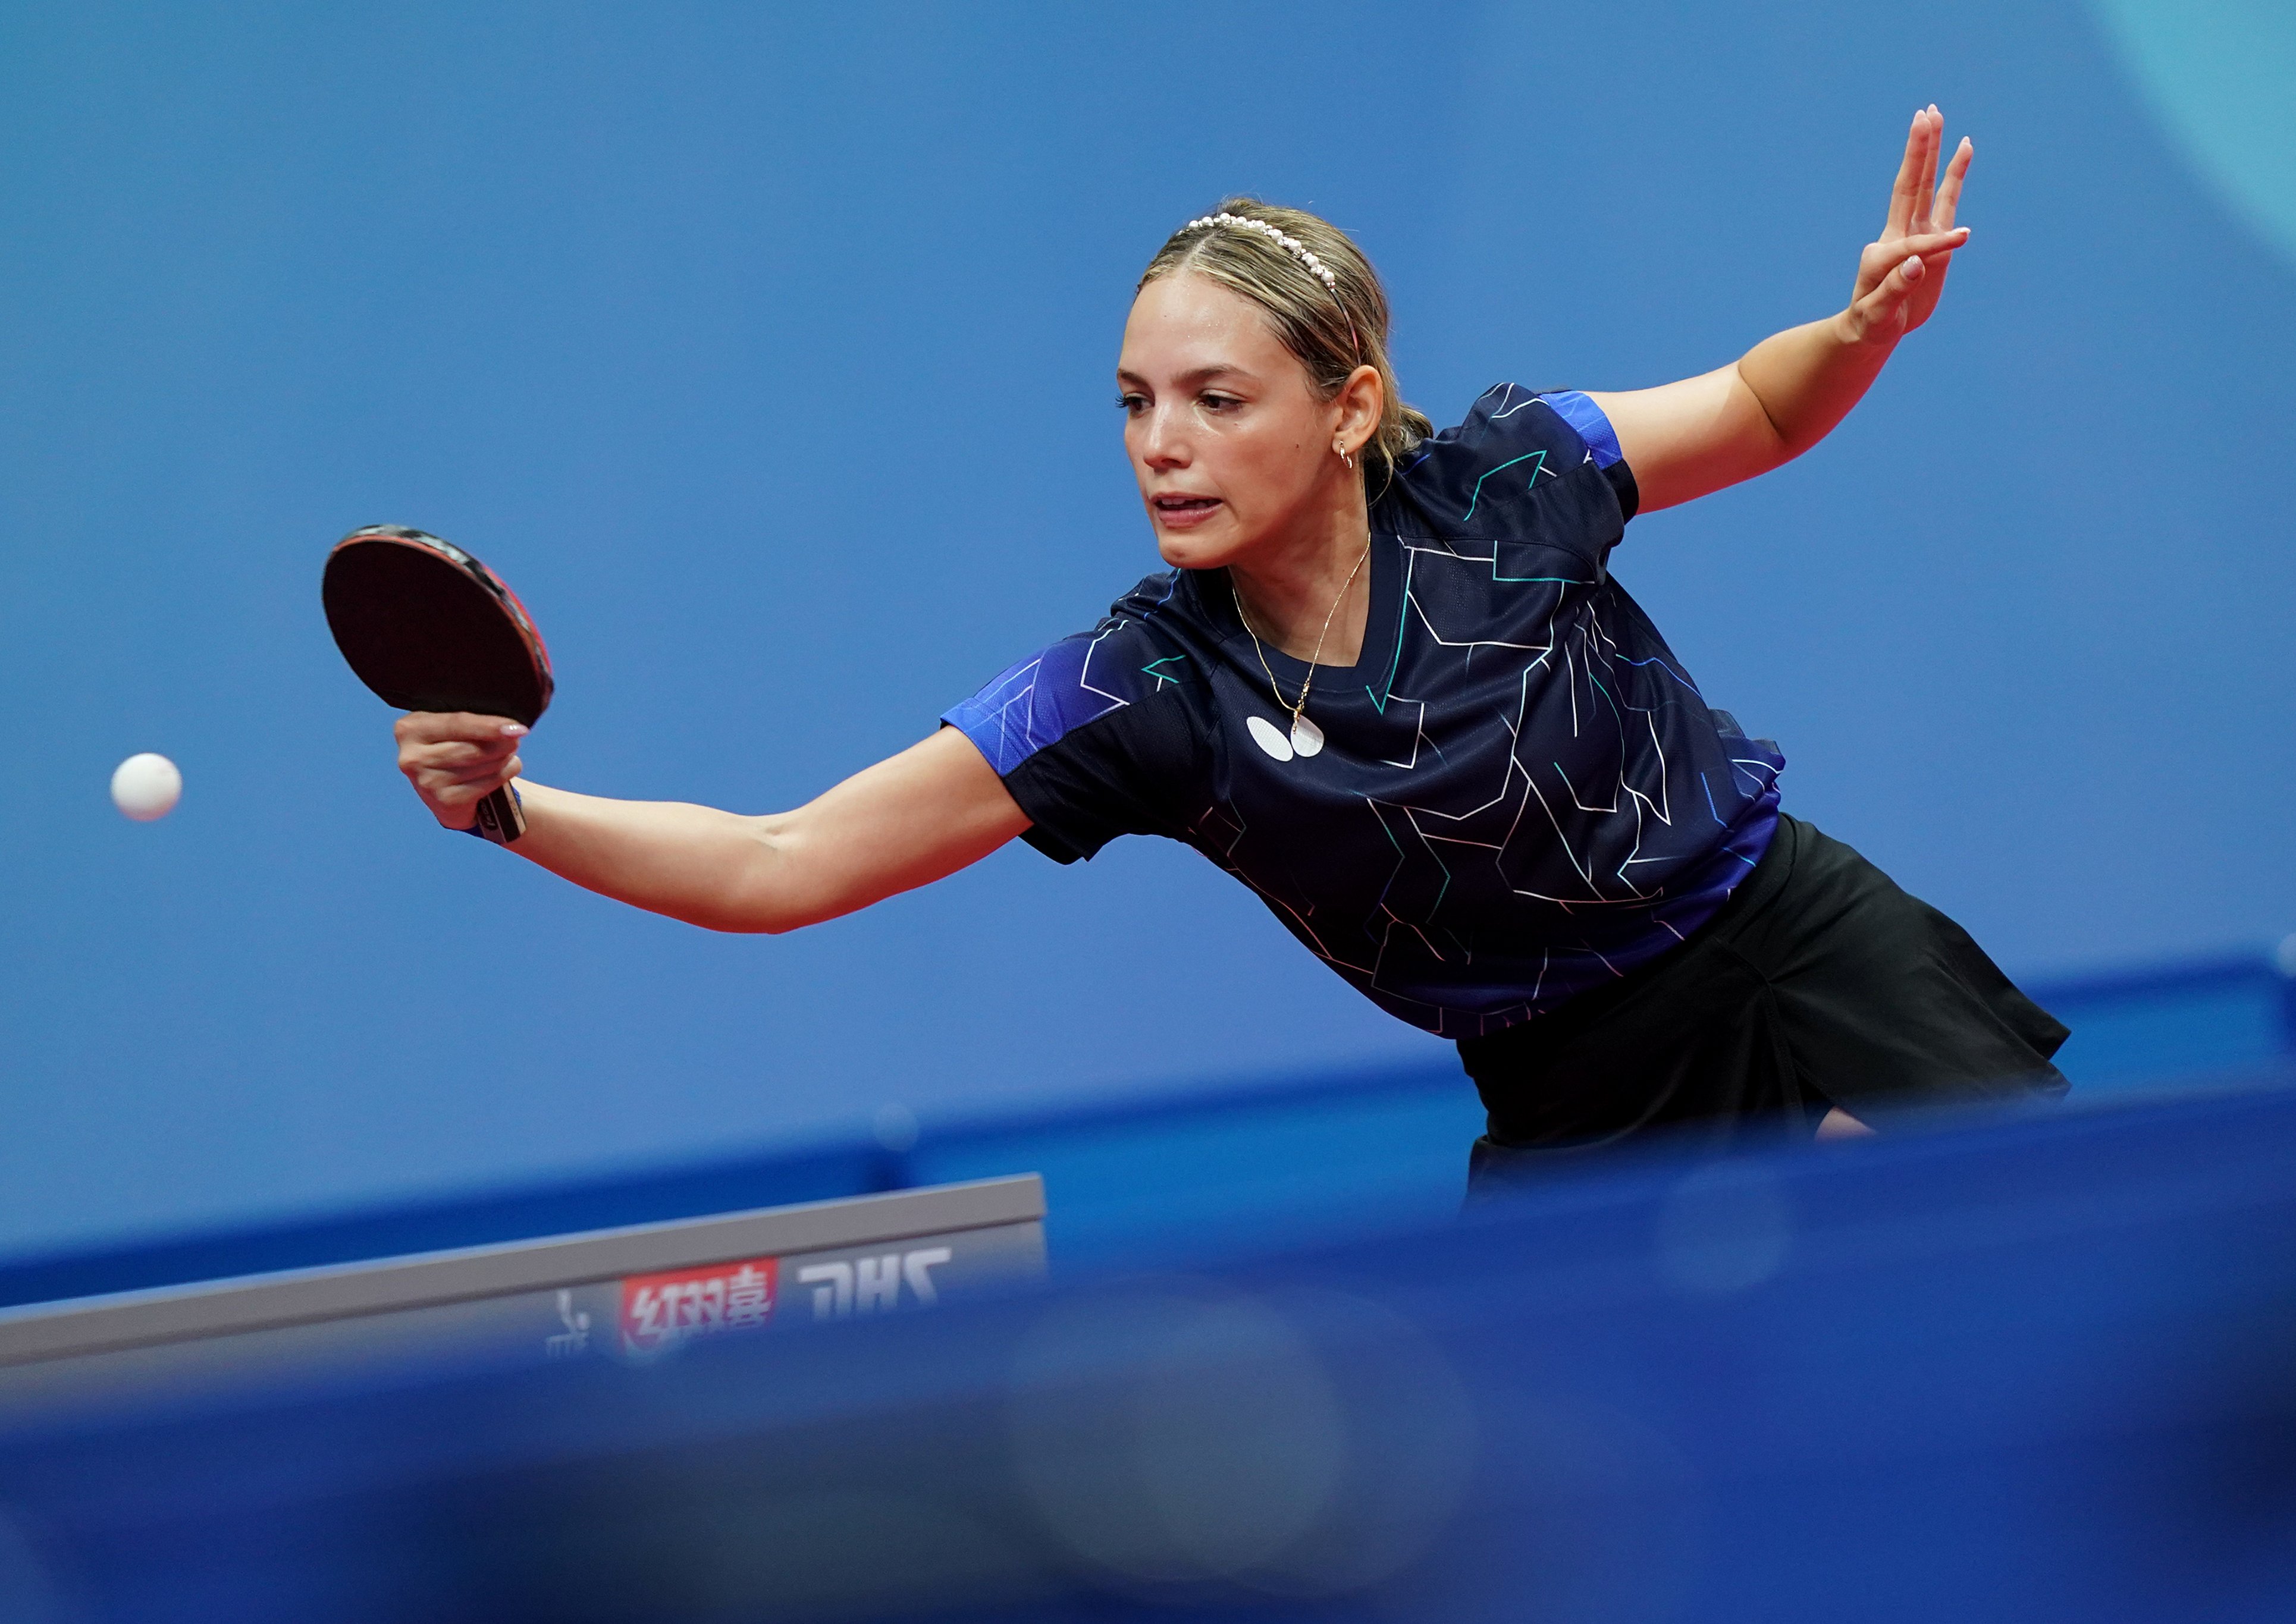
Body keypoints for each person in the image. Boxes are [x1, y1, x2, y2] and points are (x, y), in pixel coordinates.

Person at [394, 105, 2066, 1190]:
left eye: (1216, 398)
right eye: (1135, 403)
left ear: (1347, 407)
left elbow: (1764, 407)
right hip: (1574, 1098)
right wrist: (514, 813)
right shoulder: (1145, 694)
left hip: (1798, 953)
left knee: (1991, 1292)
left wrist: (1857, 336)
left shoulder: (1508, 478)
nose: (1161, 445)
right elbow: (785, 859)